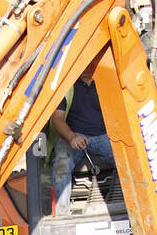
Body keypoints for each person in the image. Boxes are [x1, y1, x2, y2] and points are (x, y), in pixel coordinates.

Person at [49, 61, 116, 215]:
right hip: (72, 135)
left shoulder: (107, 83)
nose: (87, 66)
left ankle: (128, 205)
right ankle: (62, 215)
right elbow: (57, 119)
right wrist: (72, 137)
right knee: (61, 165)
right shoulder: (67, 86)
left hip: (103, 135)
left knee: (126, 159)